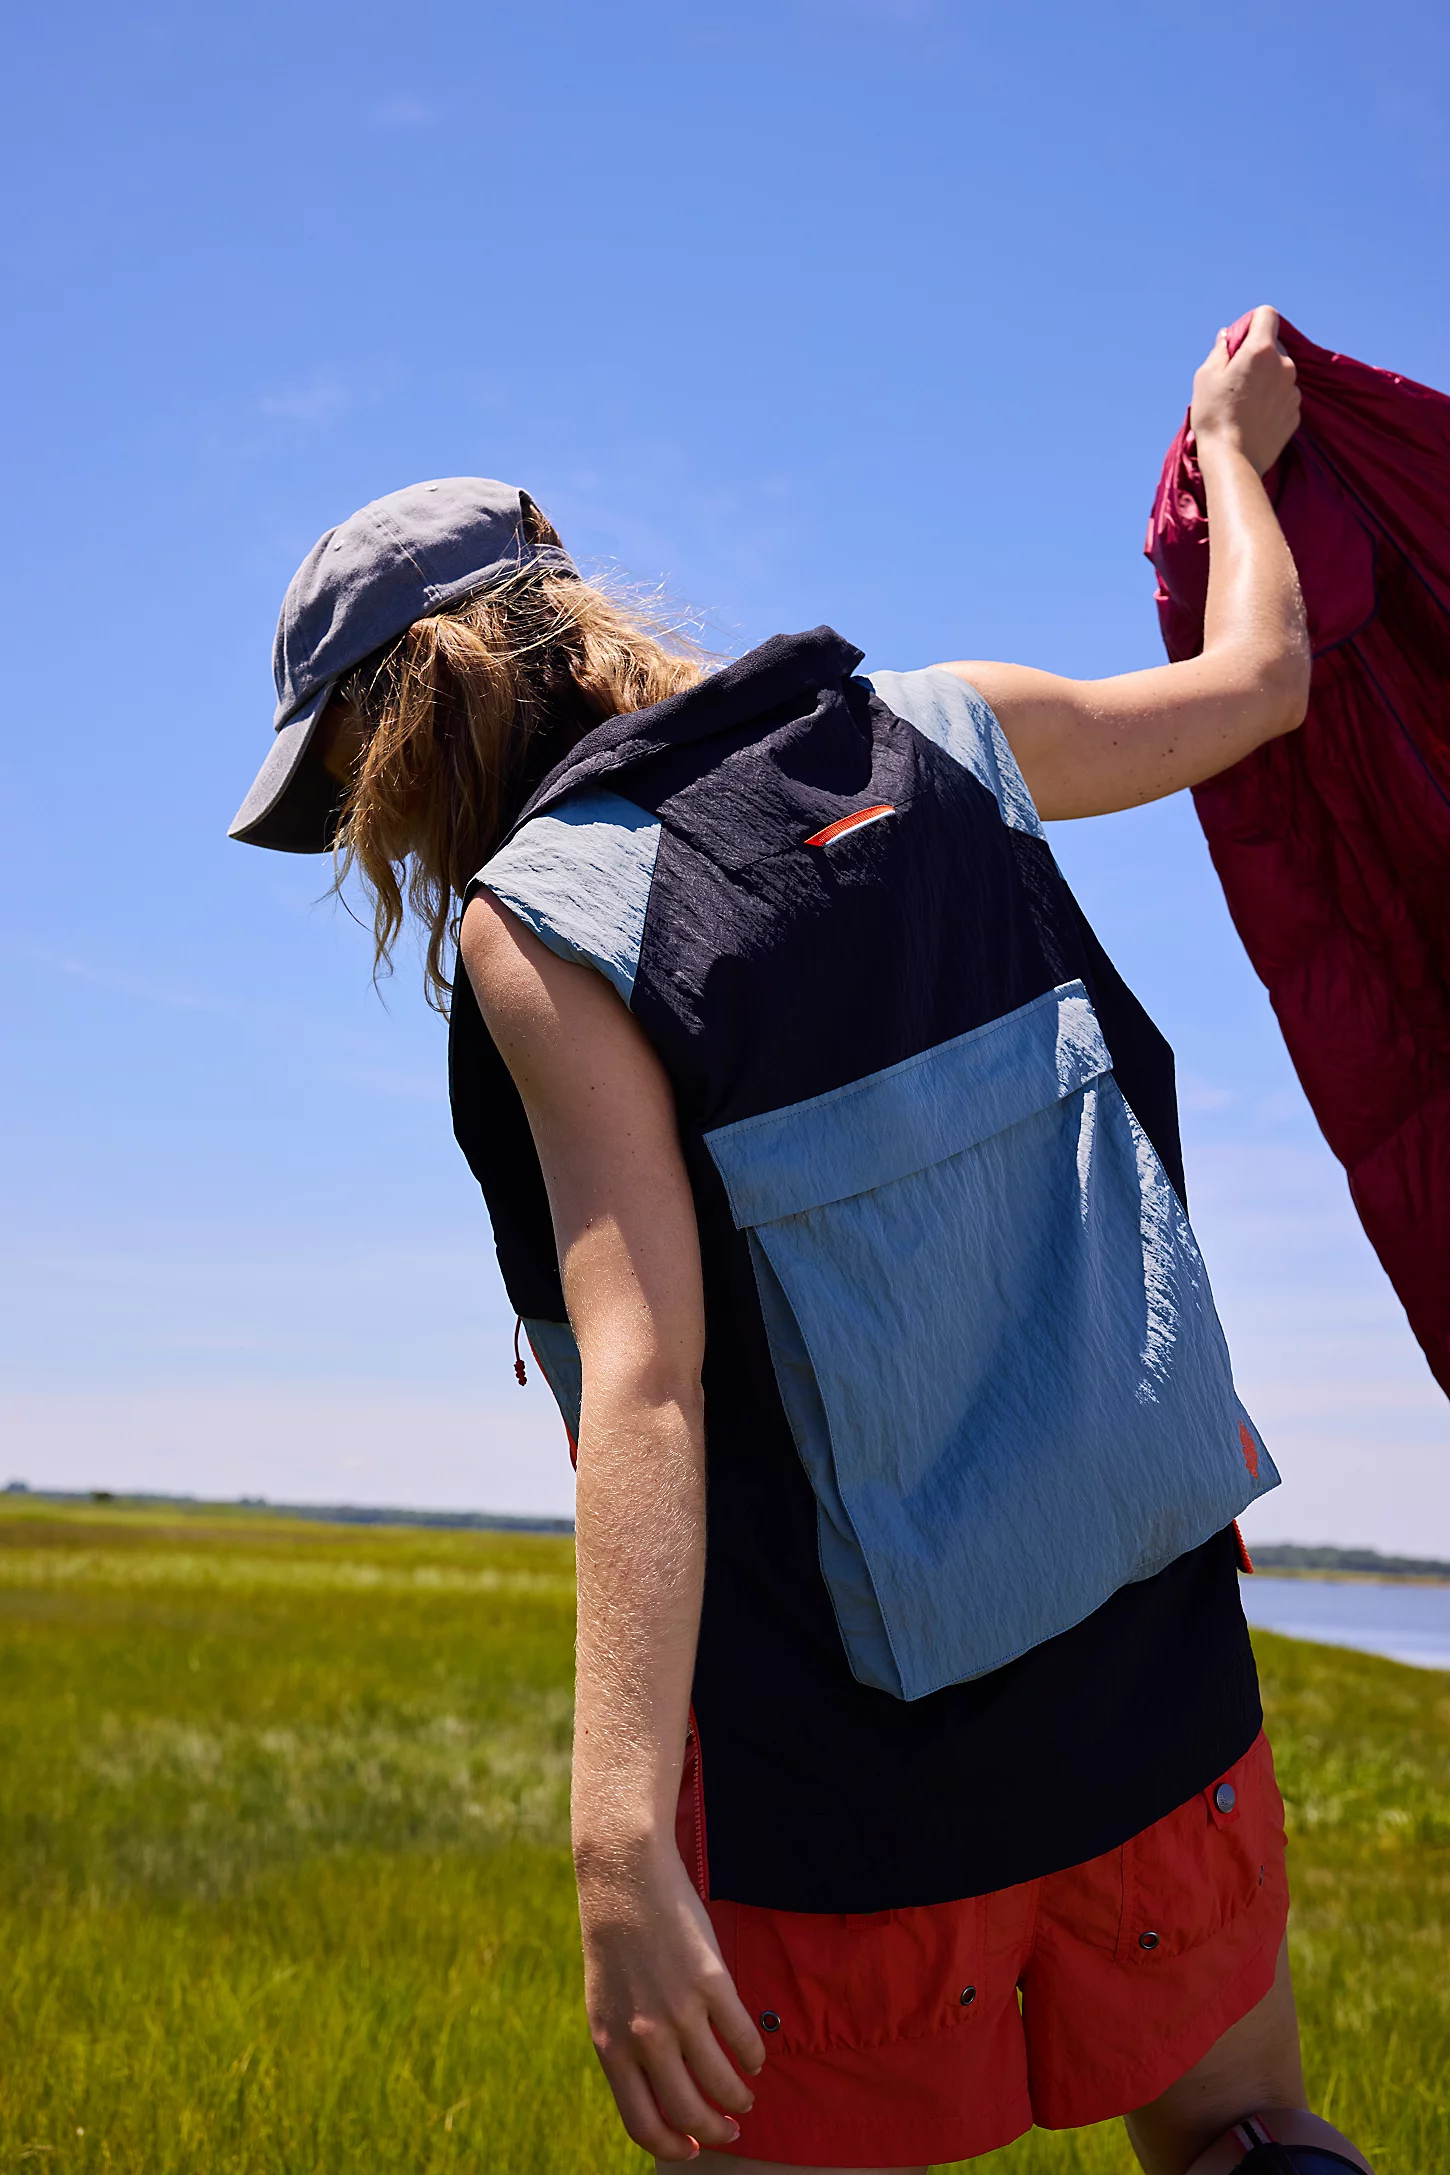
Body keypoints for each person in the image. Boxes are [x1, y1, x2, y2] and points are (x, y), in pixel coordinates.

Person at [229, 307, 1374, 2175]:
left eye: (354, 784)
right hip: (1160, 1693)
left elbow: (648, 1379)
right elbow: (1258, 682)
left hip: (842, 1806)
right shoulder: (941, 727)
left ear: (409, 717)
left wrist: (614, 1841)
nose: (377, 838)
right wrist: (1228, 453)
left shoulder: (544, 919)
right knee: (1248, 2137)